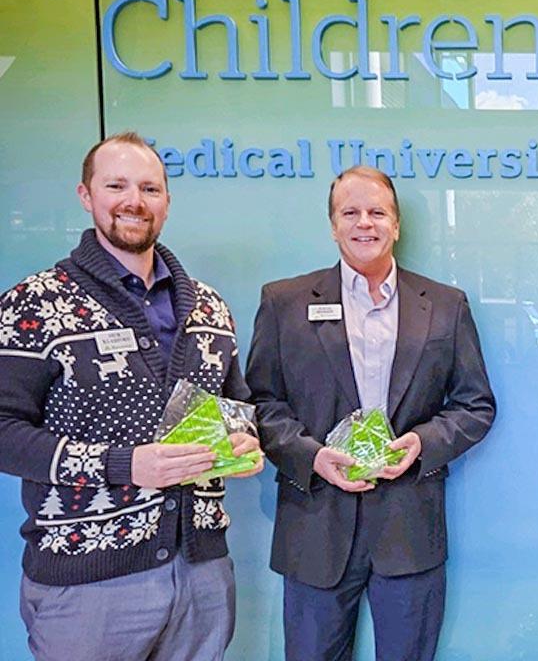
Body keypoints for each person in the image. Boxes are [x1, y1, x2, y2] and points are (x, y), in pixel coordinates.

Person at [0, 132, 263, 661]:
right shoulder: (33, 303)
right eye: (116, 185)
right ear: (85, 194)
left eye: (149, 188)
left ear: (166, 201)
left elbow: (239, 404)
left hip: (202, 573)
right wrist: (126, 465)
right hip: (89, 584)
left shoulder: (210, 306)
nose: (134, 201)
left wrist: (245, 443)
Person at [245, 164, 496, 661]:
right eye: (351, 212)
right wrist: (312, 456)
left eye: (377, 212)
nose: (365, 223)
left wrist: (424, 442)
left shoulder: (445, 305)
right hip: (314, 524)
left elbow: (475, 404)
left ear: (396, 224)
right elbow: (260, 403)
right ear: (333, 225)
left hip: (410, 528)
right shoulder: (284, 302)